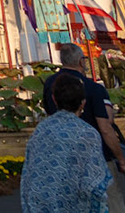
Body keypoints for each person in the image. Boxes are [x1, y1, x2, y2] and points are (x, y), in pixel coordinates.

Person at [43, 44, 125, 211]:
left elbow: (50, 116)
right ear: (81, 61)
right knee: (111, 200)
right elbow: (105, 127)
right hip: (96, 156)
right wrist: (122, 161)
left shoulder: (50, 84)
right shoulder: (93, 88)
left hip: (62, 156)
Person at [22, 75, 114, 213]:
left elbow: (28, 173)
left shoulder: (41, 130)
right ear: (83, 103)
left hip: (40, 204)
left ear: (54, 99)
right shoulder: (87, 133)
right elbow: (95, 182)